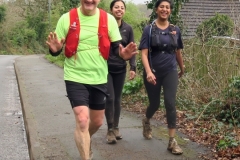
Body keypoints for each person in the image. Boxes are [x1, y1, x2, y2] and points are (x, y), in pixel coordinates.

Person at [45, 0, 138, 159]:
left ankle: (84, 140)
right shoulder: (66, 19)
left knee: (97, 122)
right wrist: (54, 51)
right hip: (75, 76)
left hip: (99, 77)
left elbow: (116, 48)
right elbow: (56, 47)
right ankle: (85, 154)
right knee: (82, 120)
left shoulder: (108, 20)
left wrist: (123, 55)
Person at [138, 0, 184, 155]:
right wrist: (149, 71)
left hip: (170, 71)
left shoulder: (175, 30)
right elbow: (143, 54)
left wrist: (182, 68)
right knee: (155, 103)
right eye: (162, 7)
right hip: (153, 72)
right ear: (157, 9)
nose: (165, 9)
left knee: (170, 103)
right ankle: (146, 120)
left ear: (170, 10)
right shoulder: (149, 29)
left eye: (167, 7)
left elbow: (177, 51)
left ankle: (172, 141)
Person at [105, 0, 136, 144]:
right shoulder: (105, 27)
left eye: (122, 8)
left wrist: (133, 67)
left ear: (124, 11)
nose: (119, 10)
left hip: (121, 69)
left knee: (117, 99)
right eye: (116, 7)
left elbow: (132, 49)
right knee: (110, 98)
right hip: (106, 69)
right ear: (111, 10)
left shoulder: (128, 29)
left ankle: (116, 127)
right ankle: (110, 130)